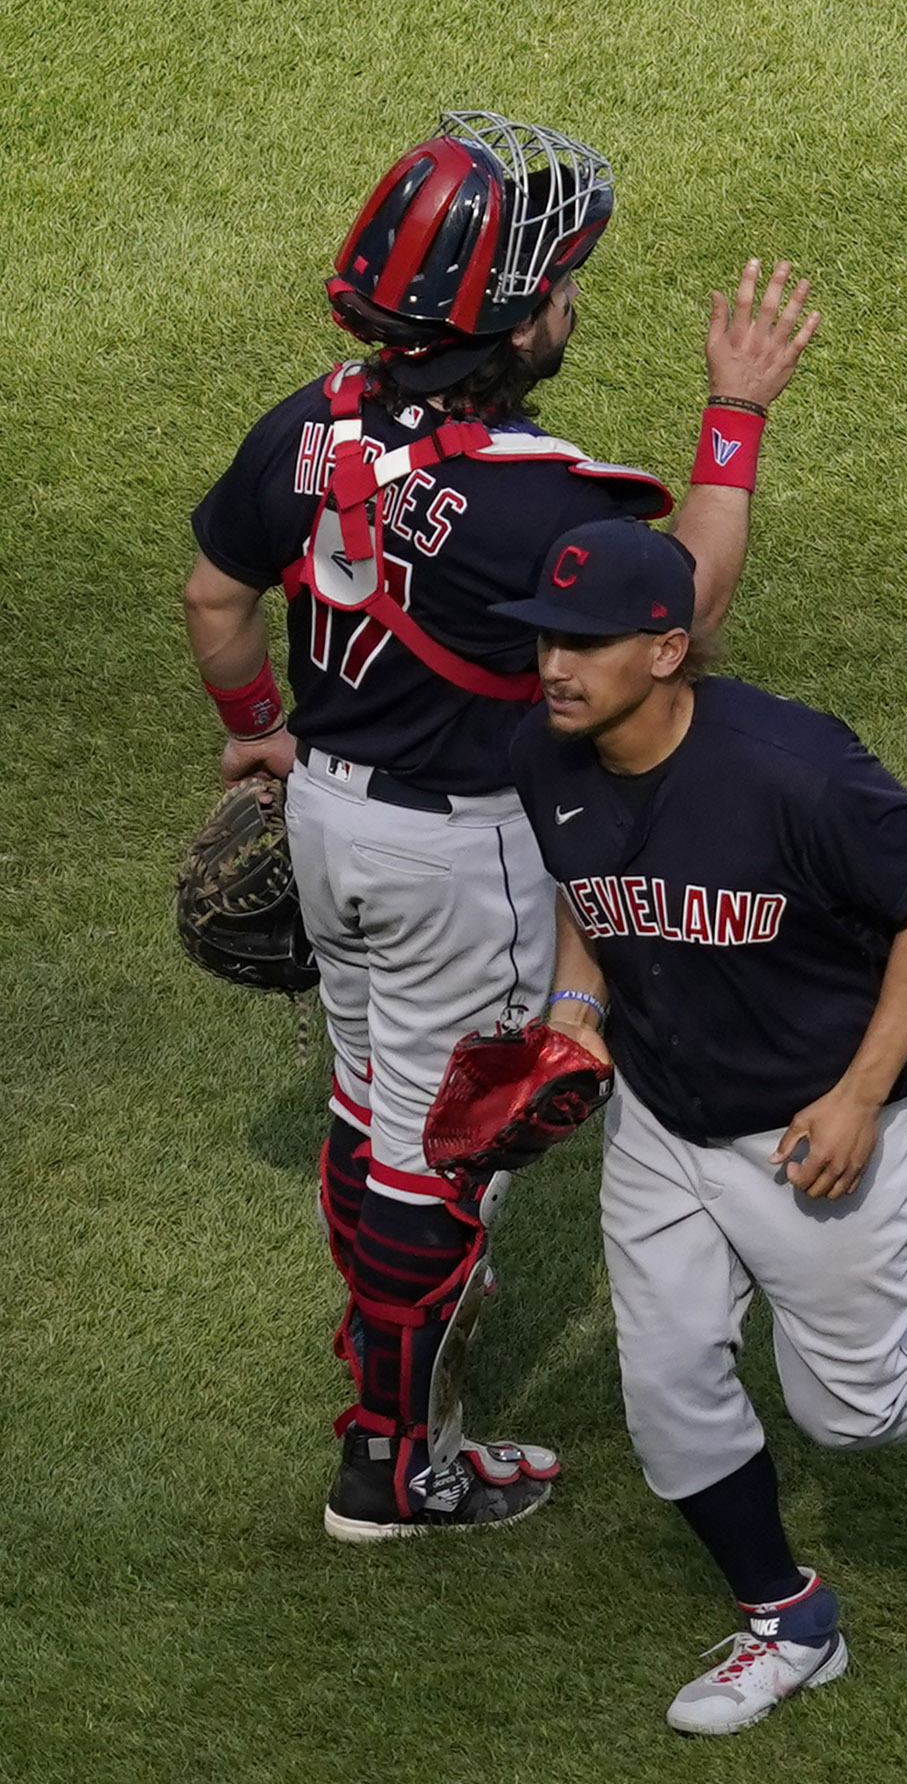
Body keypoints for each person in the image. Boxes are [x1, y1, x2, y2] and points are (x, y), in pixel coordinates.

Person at [178, 110, 817, 1540]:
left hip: (330, 825)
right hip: (460, 862)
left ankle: (397, 1404)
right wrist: (738, 410)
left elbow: (216, 599)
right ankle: (394, 1469)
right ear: (513, 325)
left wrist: (251, 732)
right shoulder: (526, 502)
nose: (572, 301)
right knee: (444, 1152)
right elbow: (685, 612)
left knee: (372, 1110)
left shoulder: (315, 420)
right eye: (561, 285)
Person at [508, 519, 907, 1735]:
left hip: (819, 1116)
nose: (553, 664)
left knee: (858, 1410)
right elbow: (584, 893)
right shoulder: (547, 753)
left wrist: (861, 1091)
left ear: (665, 647)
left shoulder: (790, 769)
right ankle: (789, 1618)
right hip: (660, 1112)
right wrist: (576, 1009)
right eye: (544, 635)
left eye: (584, 643)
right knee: (665, 1384)